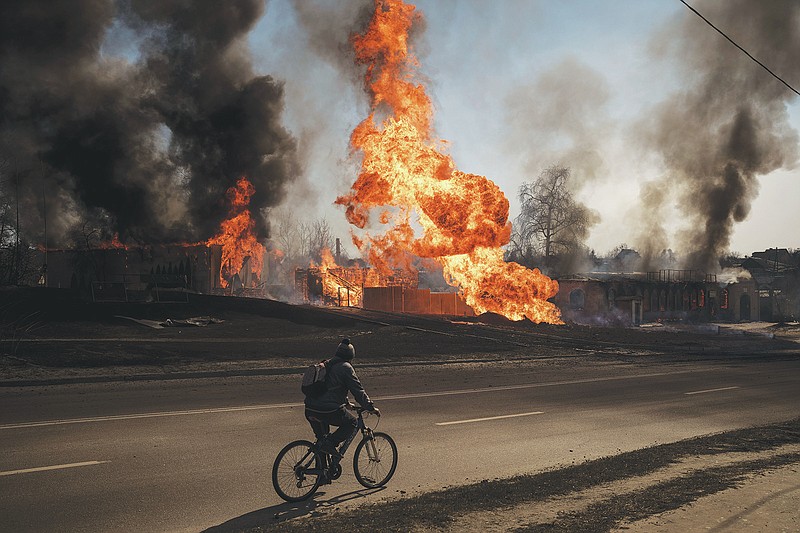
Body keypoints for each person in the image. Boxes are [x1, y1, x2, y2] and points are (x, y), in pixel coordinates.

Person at [304, 338, 380, 457]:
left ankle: (322, 473)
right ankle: (331, 443)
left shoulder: (327, 363)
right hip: (327, 410)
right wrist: (369, 407)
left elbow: (332, 388)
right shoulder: (346, 368)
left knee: (322, 442)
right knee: (352, 423)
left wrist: (346, 403)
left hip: (310, 409)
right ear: (351, 356)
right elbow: (358, 390)